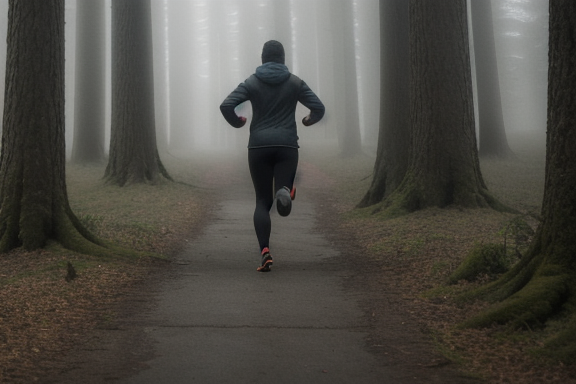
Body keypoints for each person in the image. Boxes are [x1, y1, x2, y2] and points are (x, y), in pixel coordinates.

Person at [220, 40, 325, 272]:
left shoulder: (251, 82)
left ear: (262, 59)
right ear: (283, 59)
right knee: (283, 188)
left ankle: (265, 252)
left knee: (261, 202)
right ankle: (286, 190)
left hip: (258, 147)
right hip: (287, 146)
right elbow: (319, 108)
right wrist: (307, 120)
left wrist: (238, 123)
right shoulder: (295, 82)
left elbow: (226, 105)